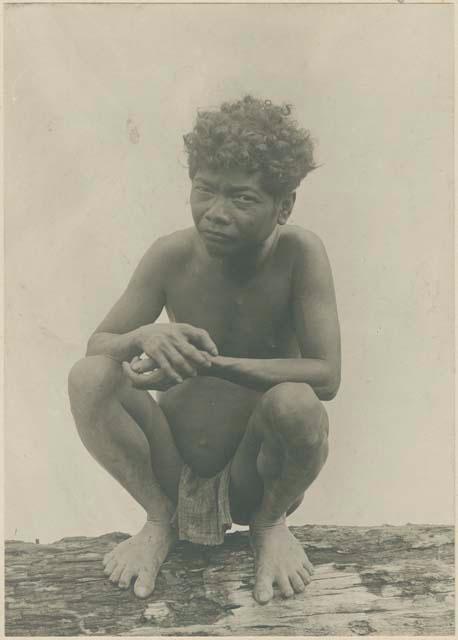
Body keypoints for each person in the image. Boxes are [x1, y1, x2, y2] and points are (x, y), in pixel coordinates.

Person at [68, 95, 341, 605]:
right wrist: (143, 336)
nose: (215, 214)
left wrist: (211, 365)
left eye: (241, 199)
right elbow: (98, 345)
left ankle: (270, 526)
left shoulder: (301, 253)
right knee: (88, 377)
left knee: (298, 403)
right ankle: (157, 520)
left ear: (284, 206)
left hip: (253, 478)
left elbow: (326, 376)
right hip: (169, 467)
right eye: (204, 191)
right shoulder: (171, 253)